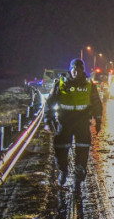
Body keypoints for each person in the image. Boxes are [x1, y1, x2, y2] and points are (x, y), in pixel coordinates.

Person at [44, 58, 103, 186]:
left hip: (82, 122)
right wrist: (47, 120)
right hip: (64, 122)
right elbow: (50, 102)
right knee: (61, 147)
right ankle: (63, 170)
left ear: (83, 71)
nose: (76, 72)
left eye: (79, 69)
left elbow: (96, 103)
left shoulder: (89, 85)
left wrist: (98, 120)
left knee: (83, 147)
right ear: (70, 70)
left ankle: (79, 172)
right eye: (74, 69)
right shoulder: (61, 83)